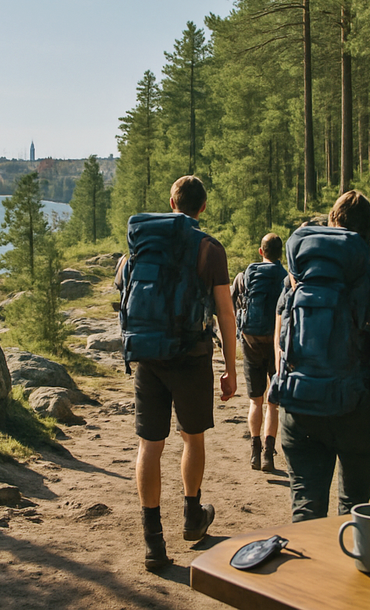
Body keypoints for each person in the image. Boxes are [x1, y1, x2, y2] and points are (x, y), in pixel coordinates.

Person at [273, 191, 370, 522]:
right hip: (360, 412)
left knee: (307, 511)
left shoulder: (295, 279)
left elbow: (281, 344)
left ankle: (308, 573)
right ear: (368, 232)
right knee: (354, 510)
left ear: (331, 225)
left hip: (301, 409)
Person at [116, 175, 238, 571]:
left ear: (171, 202)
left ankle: (153, 544)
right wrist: (231, 369)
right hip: (192, 355)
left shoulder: (140, 246)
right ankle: (192, 517)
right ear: (202, 208)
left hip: (149, 356)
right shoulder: (209, 249)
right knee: (192, 437)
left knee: (149, 445)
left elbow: (123, 291)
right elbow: (225, 314)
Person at [231, 233, 288, 472]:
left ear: (260, 251)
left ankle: (254, 451)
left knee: (256, 401)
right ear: (280, 253)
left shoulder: (245, 275)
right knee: (272, 404)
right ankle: (268, 455)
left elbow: (232, 303)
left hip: (251, 340)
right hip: (277, 342)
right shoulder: (287, 277)